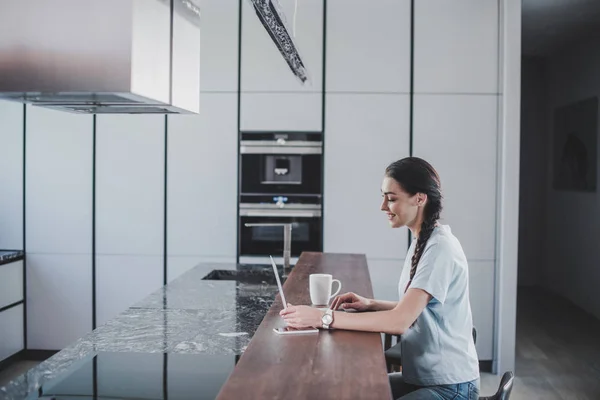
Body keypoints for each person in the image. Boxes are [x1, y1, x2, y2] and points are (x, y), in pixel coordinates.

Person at [280, 157, 480, 399]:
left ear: (419, 198)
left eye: (391, 198)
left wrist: (323, 317)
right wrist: (371, 304)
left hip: (451, 387)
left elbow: (400, 322)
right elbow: (422, 310)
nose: (383, 206)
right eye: (383, 196)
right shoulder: (424, 240)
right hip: (423, 378)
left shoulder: (439, 248)